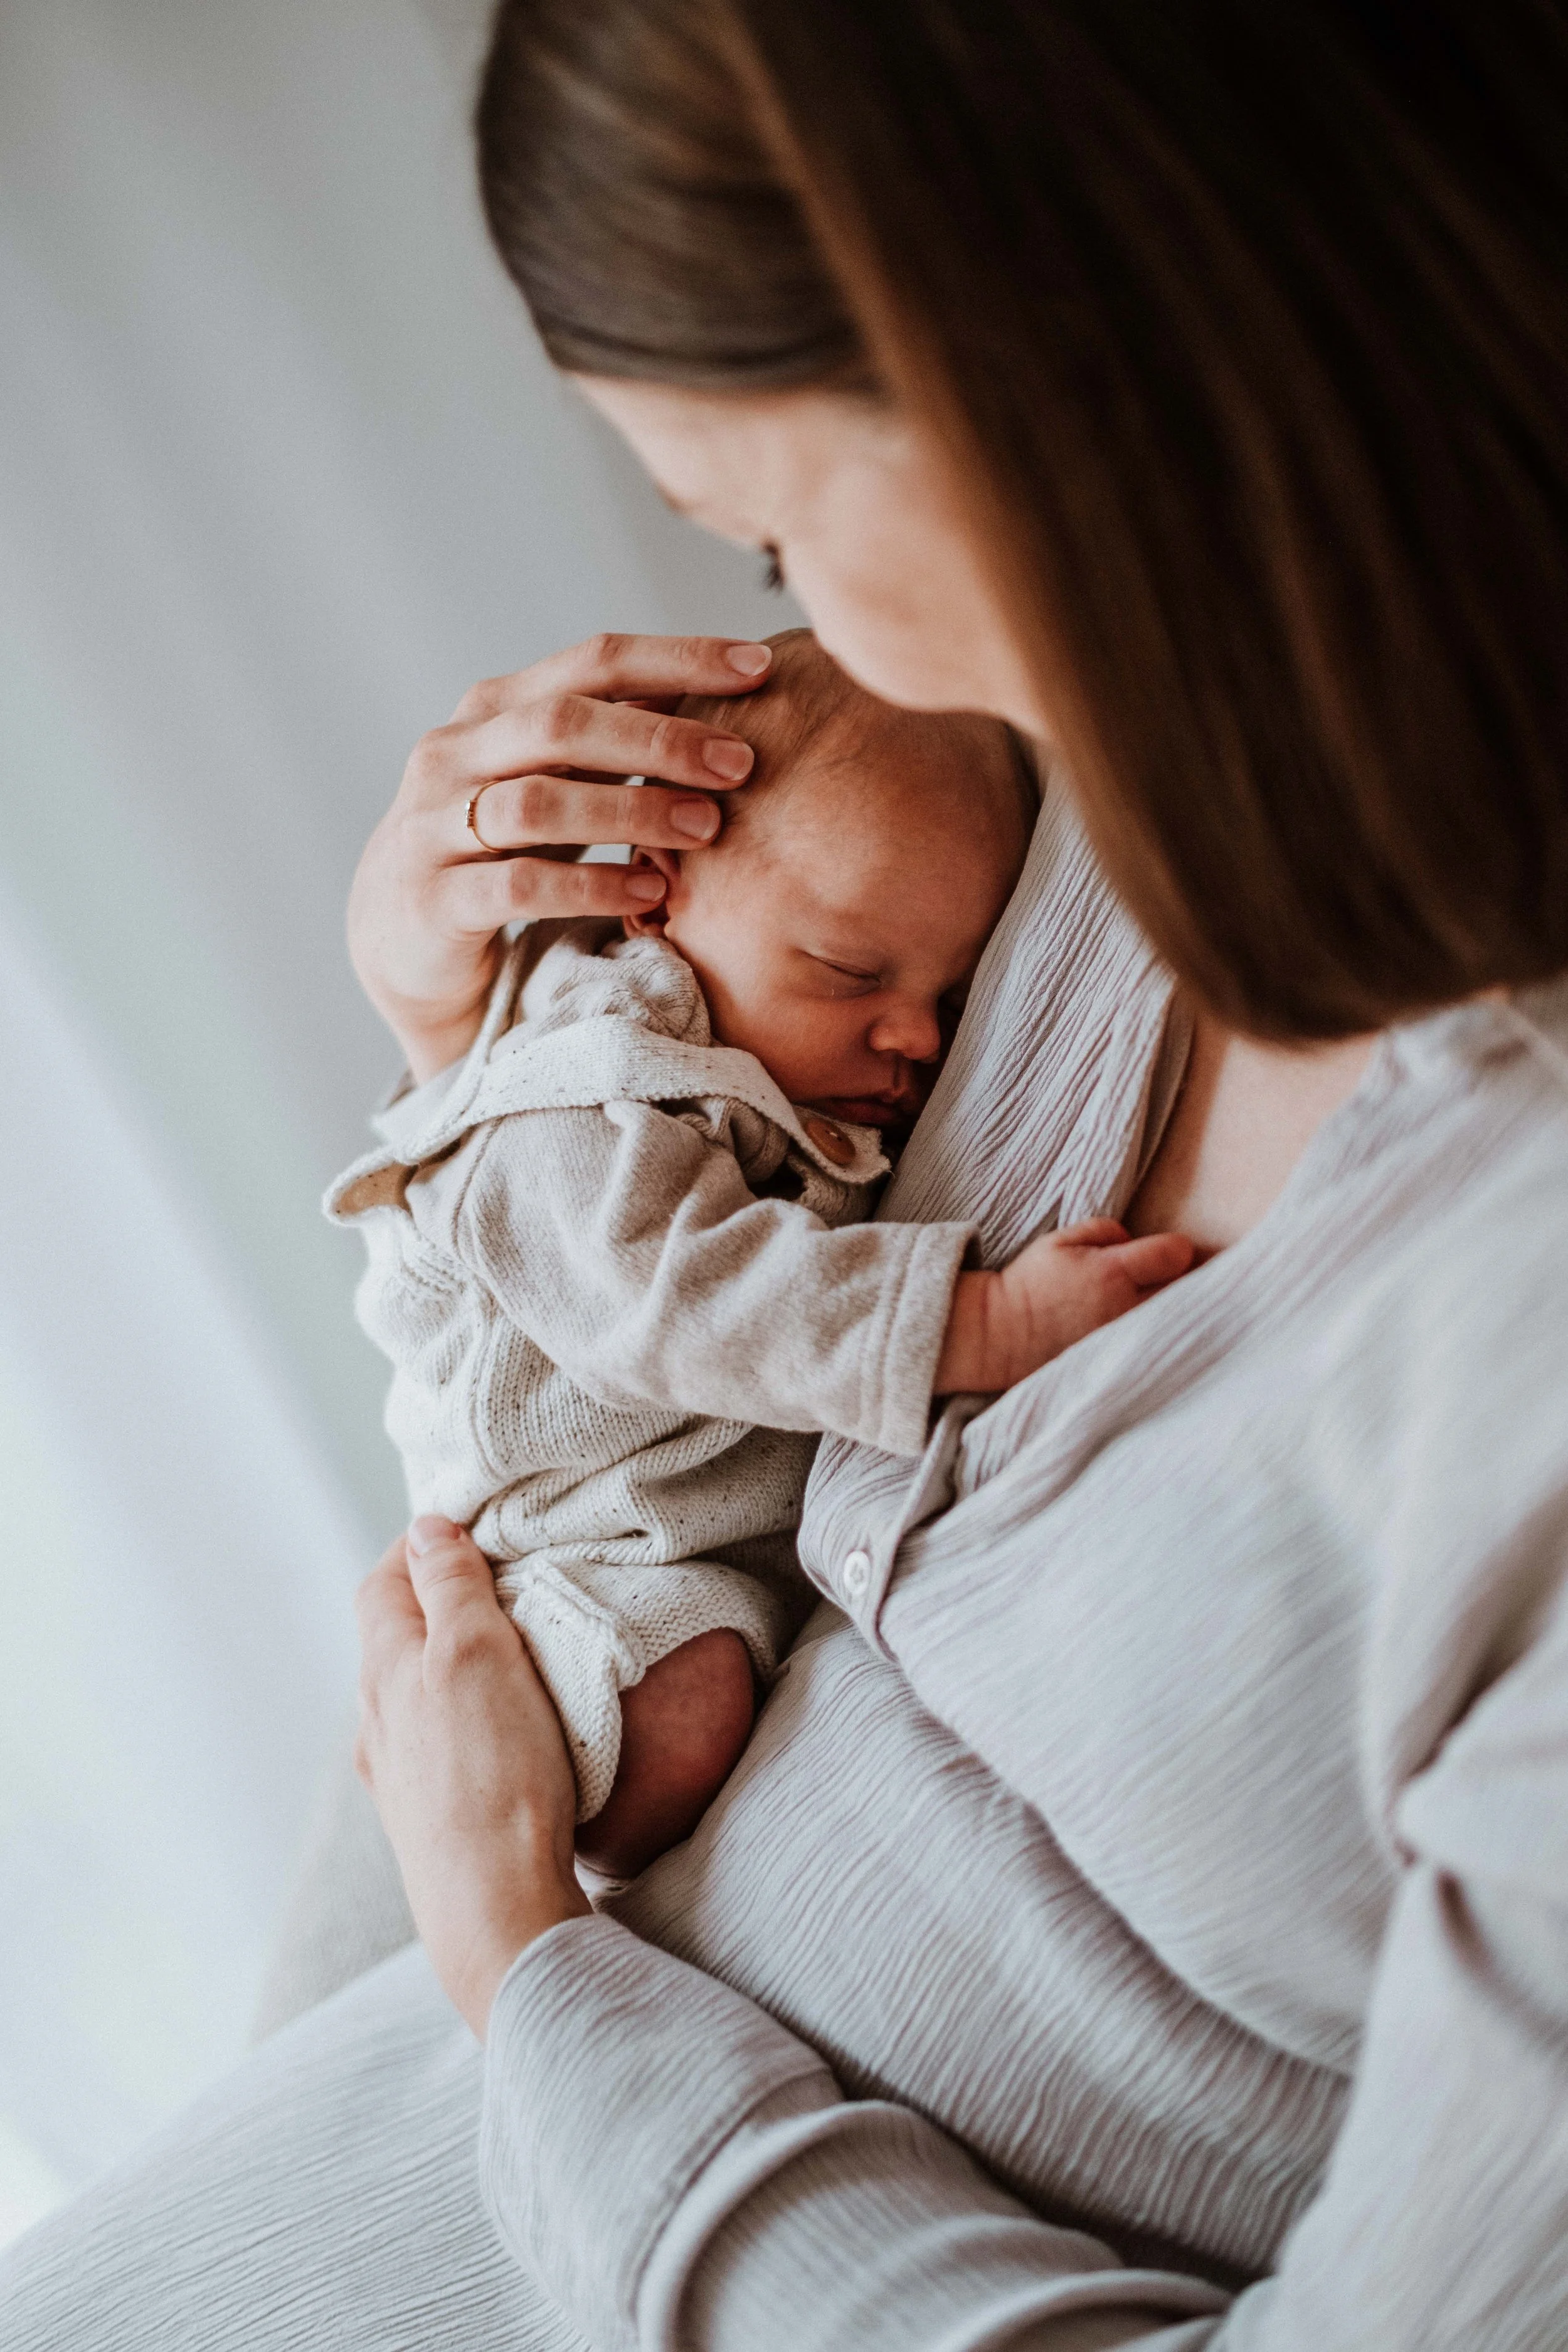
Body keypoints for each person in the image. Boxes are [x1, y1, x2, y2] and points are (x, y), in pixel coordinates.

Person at [6, 3, 1568, 2346]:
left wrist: (530, 1974)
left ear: (1067, 392)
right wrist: (524, 1070)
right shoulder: (1115, 856)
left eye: (766, 522)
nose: (800, 635)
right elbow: (633, 1466)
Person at [332, 628, 1186, 1875]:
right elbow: (661, 1298)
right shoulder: (581, 1085)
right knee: (680, 1708)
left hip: (698, 1524)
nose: (910, 1033)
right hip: (573, 1555)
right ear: (659, 892)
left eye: (950, 999)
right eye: (849, 970)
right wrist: (979, 1325)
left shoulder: (788, 1063)